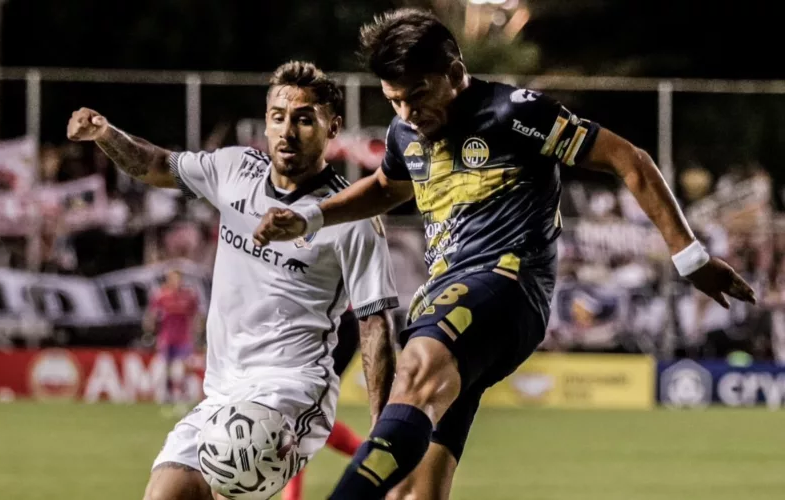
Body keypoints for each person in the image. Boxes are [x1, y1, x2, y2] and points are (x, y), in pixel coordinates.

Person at [252, 9, 758, 500]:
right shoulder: (405, 133)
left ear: (454, 72)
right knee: (412, 491)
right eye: (394, 100)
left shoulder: (514, 113)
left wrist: (690, 256)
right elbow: (387, 188)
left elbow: (629, 159)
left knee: (416, 367)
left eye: (418, 96)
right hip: (450, 303)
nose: (408, 113)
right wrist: (311, 216)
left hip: (507, 285)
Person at [67, 60, 399, 500]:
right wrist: (106, 134)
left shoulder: (351, 217)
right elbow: (157, 164)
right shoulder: (233, 170)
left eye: (304, 119)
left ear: (332, 126)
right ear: (265, 121)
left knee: (230, 482)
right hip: (222, 390)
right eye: (278, 117)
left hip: (292, 390)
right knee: (165, 493)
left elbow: (376, 325)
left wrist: (384, 429)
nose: (288, 131)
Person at [281, 307, 363, 500]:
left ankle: (378, 459)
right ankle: (376, 458)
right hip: (319, 324)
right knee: (304, 419)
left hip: (334, 325)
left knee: (301, 419)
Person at [143, 268, 202, 412]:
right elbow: (151, 315)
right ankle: (164, 396)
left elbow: (196, 315)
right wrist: (149, 331)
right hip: (166, 337)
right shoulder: (161, 295)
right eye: (172, 278)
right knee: (164, 368)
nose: (175, 282)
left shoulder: (189, 296)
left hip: (184, 338)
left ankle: (179, 397)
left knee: (179, 369)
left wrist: (197, 333)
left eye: (177, 279)